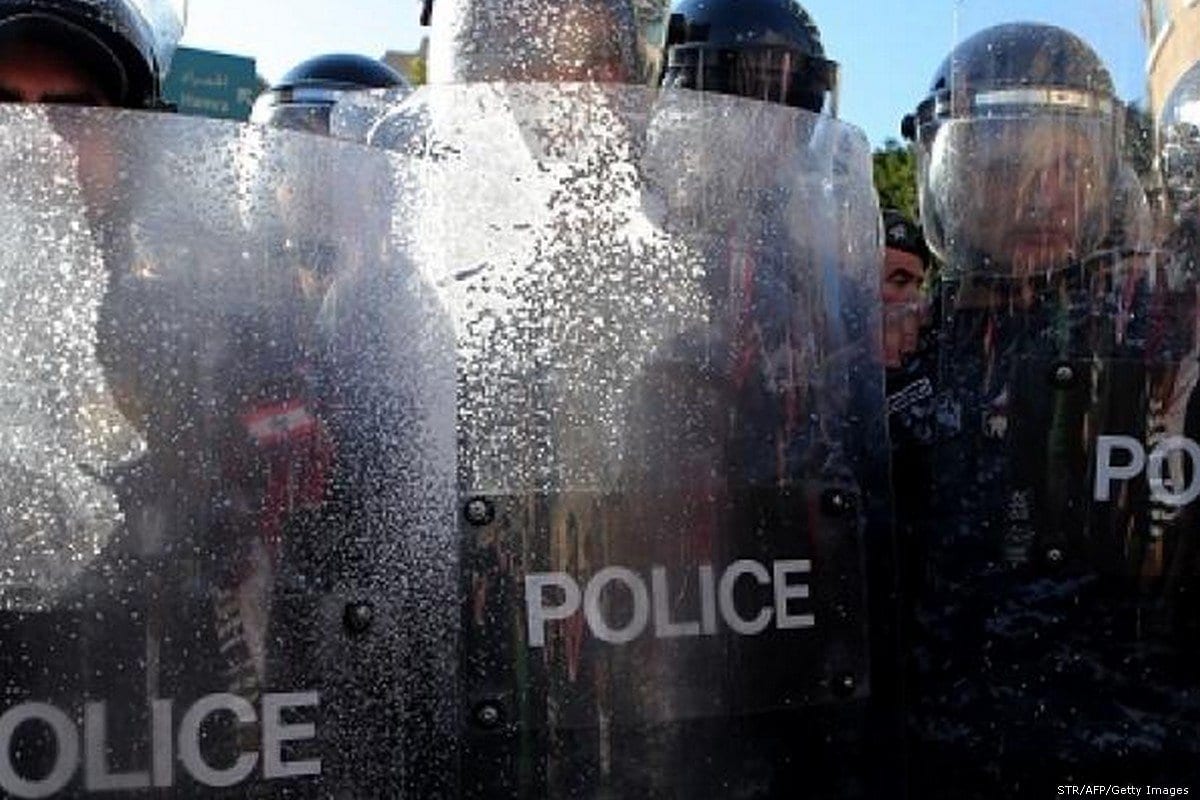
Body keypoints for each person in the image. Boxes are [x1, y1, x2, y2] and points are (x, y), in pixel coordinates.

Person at [899, 21, 1198, 794]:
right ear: (951, 174)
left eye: (1072, 165)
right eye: (1005, 168)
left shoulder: (1158, 348)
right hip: (941, 762)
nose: (1045, 197)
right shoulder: (900, 357)